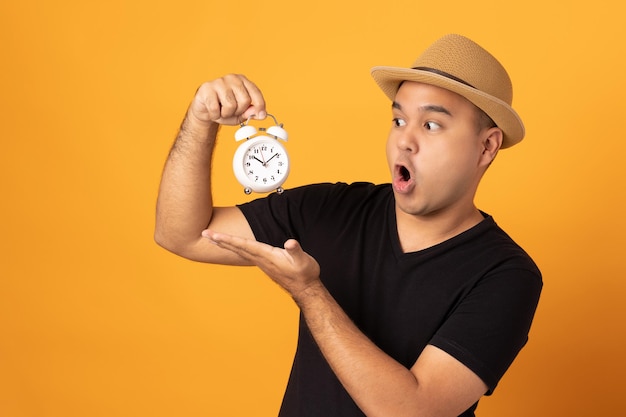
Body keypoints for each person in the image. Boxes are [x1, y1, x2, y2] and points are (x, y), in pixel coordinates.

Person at [154, 34, 542, 417]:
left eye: (431, 126)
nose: (404, 140)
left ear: (487, 146)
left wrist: (309, 292)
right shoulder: (331, 209)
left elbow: (415, 412)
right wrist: (200, 120)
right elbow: (181, 234)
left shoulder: (506, 275)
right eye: (399, 119)